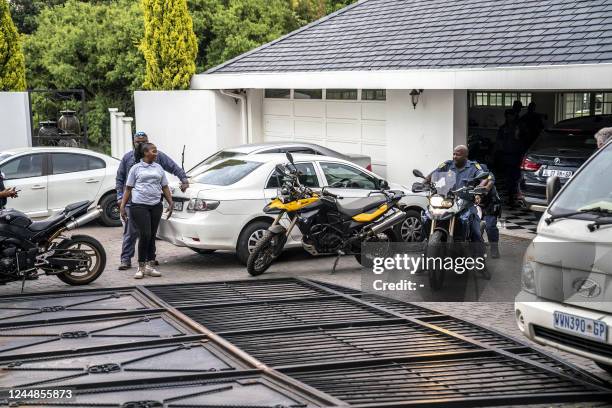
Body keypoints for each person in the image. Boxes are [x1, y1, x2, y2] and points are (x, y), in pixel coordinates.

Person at [116, 131, 189, 270]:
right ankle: (126, 259)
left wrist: (184, 179)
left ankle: (150, 258)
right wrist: (120, 199)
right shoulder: (128, 159)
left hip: (153, 203)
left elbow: (172, 168)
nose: (141, 143)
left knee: (150, 232)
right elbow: (120, 179)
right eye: (138, 141)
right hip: (133, 203)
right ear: (134, 142)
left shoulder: (157, 156)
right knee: (131, 232)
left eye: (144, 141)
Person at [120, 143, 173, 279]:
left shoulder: (158, 167)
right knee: (145, 234)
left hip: (156, 205)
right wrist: (122, 206)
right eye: (154, 151)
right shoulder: (135, 168)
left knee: (152, 235)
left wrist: (170, 202)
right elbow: (128, 188)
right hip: (139, 206)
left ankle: (150, 266)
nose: (156, 153)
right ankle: (140, 266)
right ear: (145, 153)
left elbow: (165, 186)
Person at [425, 145, 493, 243]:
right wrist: (423, 183)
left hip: (466, 203)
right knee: (426, 216)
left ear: (465, 156)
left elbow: (485, 177)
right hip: (447, 201)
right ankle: (427, 240)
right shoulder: (447, 164)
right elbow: (433, 174)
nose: (454, 156)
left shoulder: (474, 167)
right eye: (454, 154)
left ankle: (479, 254)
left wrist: (480, 186)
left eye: (458, 155)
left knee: (475, 231)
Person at [496, 109, 523, 207]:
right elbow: (498, 142)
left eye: (512, 115)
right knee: (508, 179)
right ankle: (510, 198)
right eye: (508, 116)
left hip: (516, 156)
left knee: (516, 178)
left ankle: (515, 198)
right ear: (506, 117)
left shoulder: (519, 127)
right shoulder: (503, 128)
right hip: (506, 156)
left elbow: (523, 140)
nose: (510, 118)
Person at [475, 164, 501, 258]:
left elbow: (489, 182)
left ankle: (494, 248)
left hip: (490, 205)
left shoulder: (490, 175)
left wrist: (482, 187)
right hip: (475, 205)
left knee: (490, 227)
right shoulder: (469, 176)